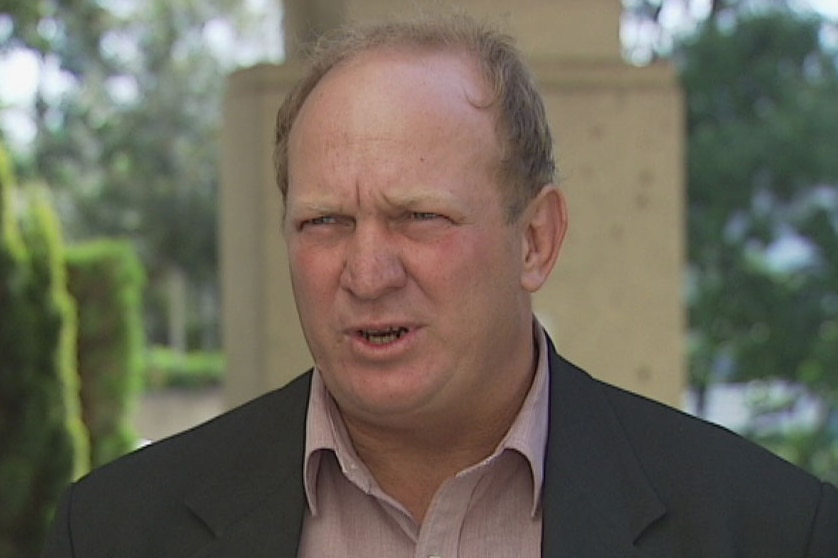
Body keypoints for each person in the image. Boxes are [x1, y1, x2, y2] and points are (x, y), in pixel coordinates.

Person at [42, 13, 837, 558]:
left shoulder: (764, 528)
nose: (367, 271)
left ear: (536, 240)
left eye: (419, 216)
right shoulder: (117, 529)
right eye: (324, 222)